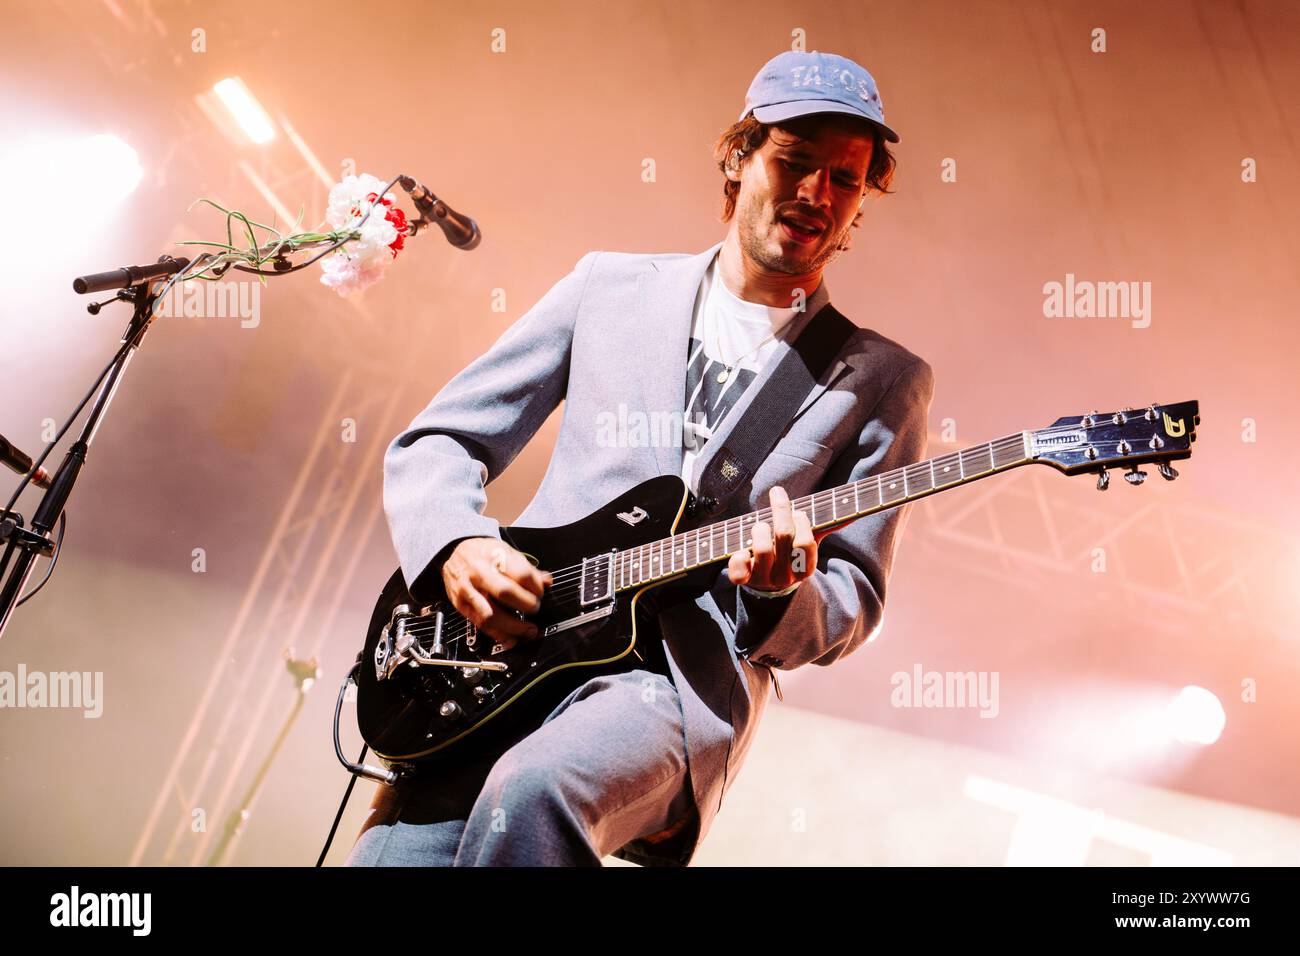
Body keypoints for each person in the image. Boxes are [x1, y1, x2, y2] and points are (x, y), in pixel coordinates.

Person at [345, 49, 934, 867]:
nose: (816, 196)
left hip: (673, 687)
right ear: (739, 157)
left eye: (845, 179)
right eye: (795, 164)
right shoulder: (608, 288)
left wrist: (779, 594)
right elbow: (441, 439)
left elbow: (852, 602)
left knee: (536, 790)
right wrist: (456, 543)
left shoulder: (879, 377)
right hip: (512, 647)